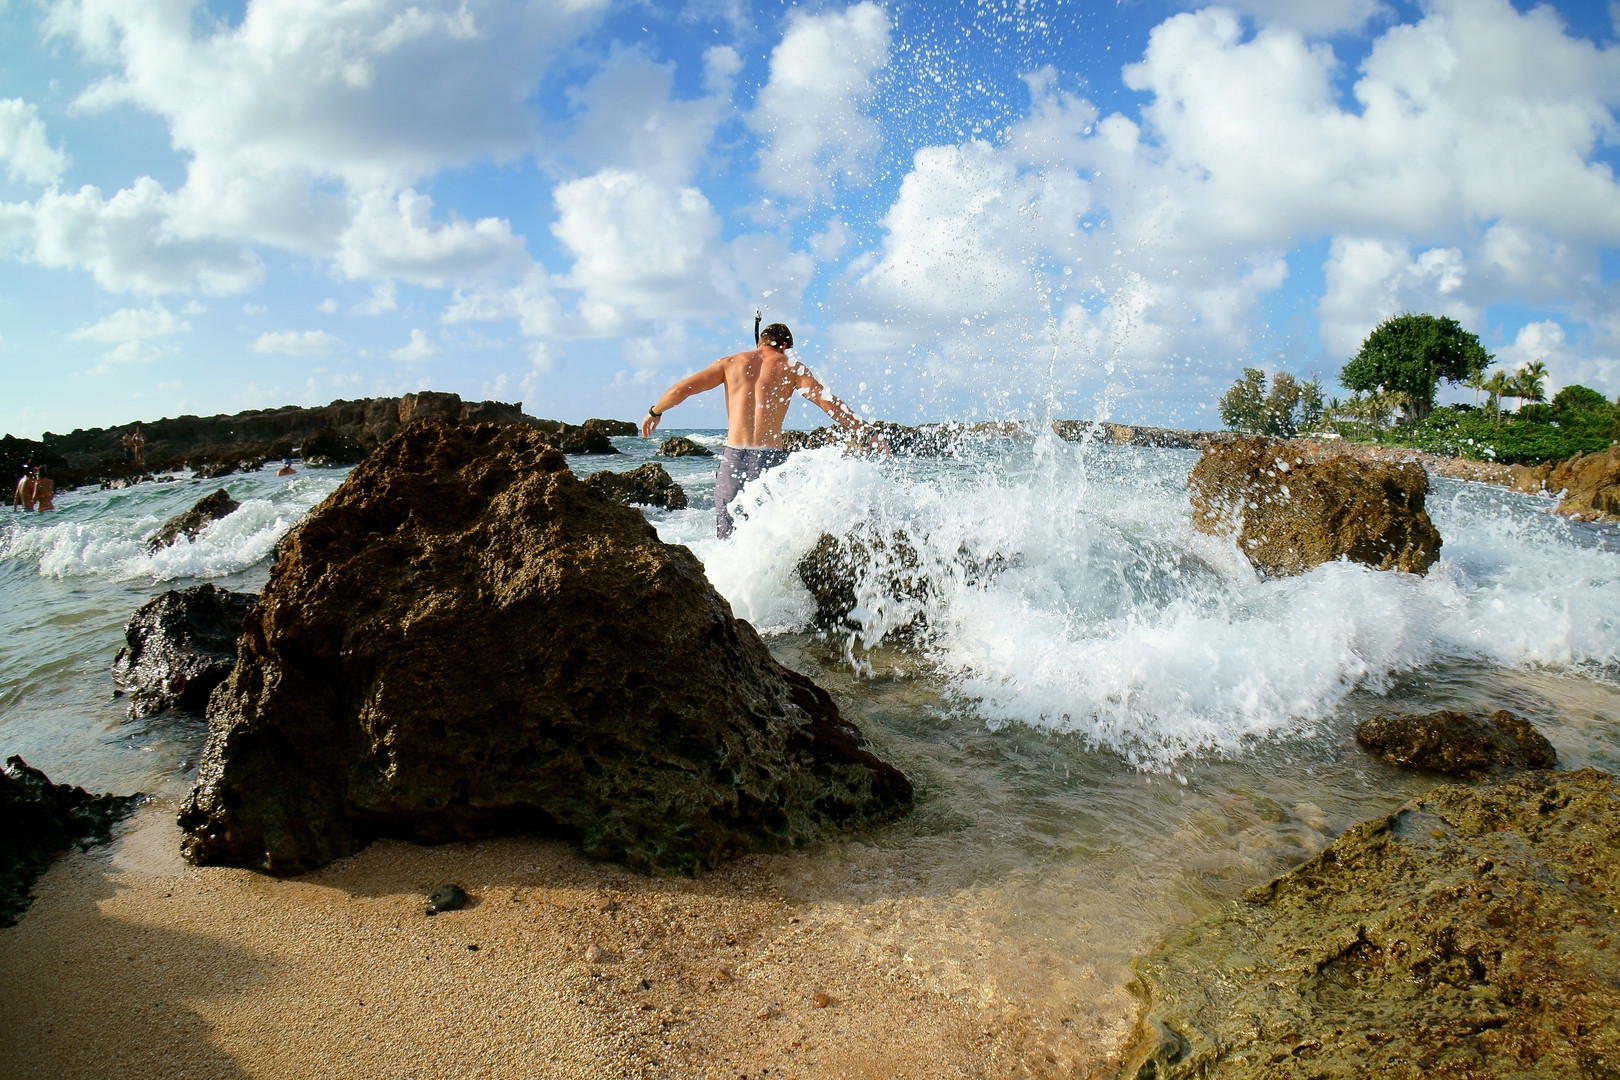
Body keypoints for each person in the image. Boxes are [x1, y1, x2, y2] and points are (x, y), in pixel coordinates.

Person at [640, 322, 883, 539]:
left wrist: (655, 411)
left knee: (727, 532)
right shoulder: (792, 367)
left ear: (761, 341)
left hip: (733, 458)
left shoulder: (730, 363)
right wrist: (867, 431)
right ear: (785, 346)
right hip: (770, 461)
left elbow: (681, 390)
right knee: (769, 532)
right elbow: (828, 403)